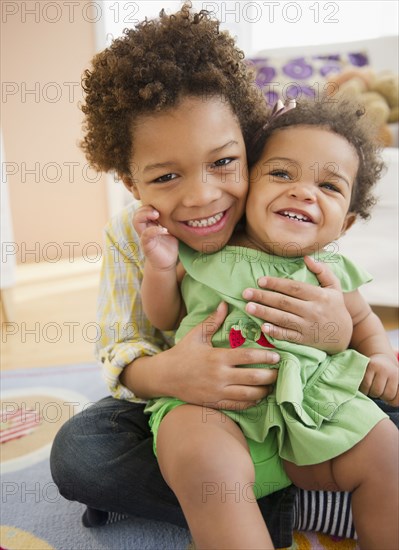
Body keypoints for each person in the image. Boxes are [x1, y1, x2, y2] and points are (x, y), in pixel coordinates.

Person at [49, 4, 397, 548]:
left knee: (386, 417)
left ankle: (313, 484)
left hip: (308, 393)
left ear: (251, 143)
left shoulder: (285, 216)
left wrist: (336, 333)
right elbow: (125, 347)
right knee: (82, 453)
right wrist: (174, 376)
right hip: (197, 403)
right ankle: (300, 504)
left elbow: (357, 324)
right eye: (165, 176)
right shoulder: (137, 237)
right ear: (129, 181)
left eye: (225, 163)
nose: (204, 196)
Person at [133, 98, 399, 549]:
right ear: (247, 186)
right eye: (281, 174)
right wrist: (158, 270)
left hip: (311, 409)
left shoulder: (330, 270)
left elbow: (363, 322)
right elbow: (165, 318)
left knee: (388, 450)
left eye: (330, 187)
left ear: (346, 223)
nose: (304, 192)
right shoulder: (204, 252)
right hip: (214, 411)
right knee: (199, 456)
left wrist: (378, 358)